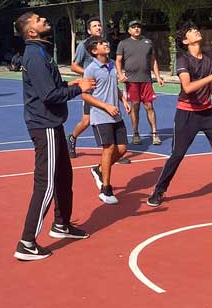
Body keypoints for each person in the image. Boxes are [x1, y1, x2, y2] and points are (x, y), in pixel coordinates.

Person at [14, 12, 95, 260]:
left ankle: (61, 224)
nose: (44, 20)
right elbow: (49, 95)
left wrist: (72, 86)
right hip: (44, 125)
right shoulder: (35, 56)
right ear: (31, 32)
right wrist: (78, 89)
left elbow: (53, 89)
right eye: (39, 20)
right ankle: (26, 242)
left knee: (63, 177)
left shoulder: (41, 51)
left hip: (52, 124)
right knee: (46, 183)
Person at [147, 23, 212, 209]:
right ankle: (159, 190)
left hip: (207, 113)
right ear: (185, 41)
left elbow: (211, 90)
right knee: (177, 154)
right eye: (191, 31)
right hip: (187, 113)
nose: (196, 31)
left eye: (196, 28)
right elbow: (188, 87)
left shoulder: (208, 58)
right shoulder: (183, 60)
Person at [82, 36, 131, 204]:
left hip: (116, 114)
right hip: (101, 116)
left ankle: (100, 169)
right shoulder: (91, 69)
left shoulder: (111, 64)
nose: (106, 44)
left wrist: (122, 100)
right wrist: (106, 106)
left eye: (105, 42)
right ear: (95, 51)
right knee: (108, 148)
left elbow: (112, 86)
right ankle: (106, 189)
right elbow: (85, 95)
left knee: (123, 149)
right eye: (101, 44)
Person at [115, 20, 162, 146]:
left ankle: (154, 133)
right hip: (131, 82)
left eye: (138, 27)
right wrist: (120, 74)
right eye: (133, 27)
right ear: (129, 30)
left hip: (146, 80)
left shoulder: (148, 42)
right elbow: (118, 61)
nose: (136, 29)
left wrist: (157, 77)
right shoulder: (123, 44)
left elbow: (153, 61)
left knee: (149, 107)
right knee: (135, 106)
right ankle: (135, 133)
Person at [67, 18, 103, 158]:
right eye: (94, 26)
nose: (98, 27)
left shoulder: (104, 44)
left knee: (111, 117)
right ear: (89, 30)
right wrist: (88, 74)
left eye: (99, 25)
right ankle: (72, 137)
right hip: (90, 89)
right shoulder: (83, 45)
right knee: (87, 121)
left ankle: (115, 150)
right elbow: (74, 66)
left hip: (104, 88)